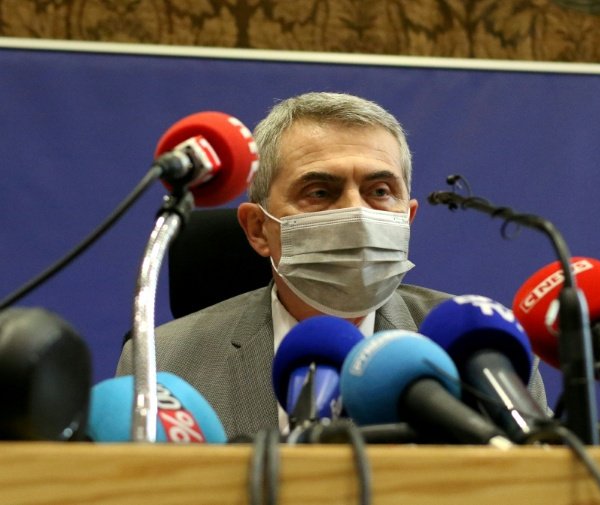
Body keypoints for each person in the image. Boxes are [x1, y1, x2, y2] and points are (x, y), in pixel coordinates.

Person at [117, 92, 548, 439]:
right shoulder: (163, 362)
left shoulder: (486, 355)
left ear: (408, 218)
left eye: (380, 191)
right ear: (258, 229)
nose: (356, 213)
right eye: (320, 192)